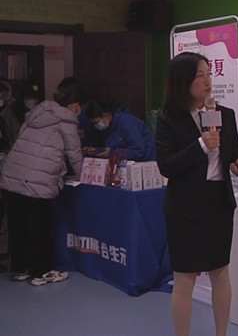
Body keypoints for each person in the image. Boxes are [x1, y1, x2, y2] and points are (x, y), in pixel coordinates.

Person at [156, 52, 238, 336]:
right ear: (182, 80)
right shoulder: (168, 120)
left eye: (209, 74)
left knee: (220, 272)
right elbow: (167, 165)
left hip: (218, 203)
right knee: (185, 279)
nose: (208, 80)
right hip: (185, 208)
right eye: (199, 75)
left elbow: (233, 153)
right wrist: (201, 145)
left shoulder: (225, 115)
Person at [0, 87, 83, 286]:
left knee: (18, 225)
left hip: (13, 174)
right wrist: (84, 177)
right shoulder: (67, 120)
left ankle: (20, 269)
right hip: (39, 180)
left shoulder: (35, 115)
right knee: (40, 228)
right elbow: (74, 154)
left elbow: (20, 140)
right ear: (74, 105)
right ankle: (41, 272)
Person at [83, 100, 156, 162]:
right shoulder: (108, 127)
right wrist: (98, 150)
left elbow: (139, 150)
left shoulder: (126, 122)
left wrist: (112, 153)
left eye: (96, 123)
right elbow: (113, 147)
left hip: (145, 163)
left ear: (105, 115)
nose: (96, 126)